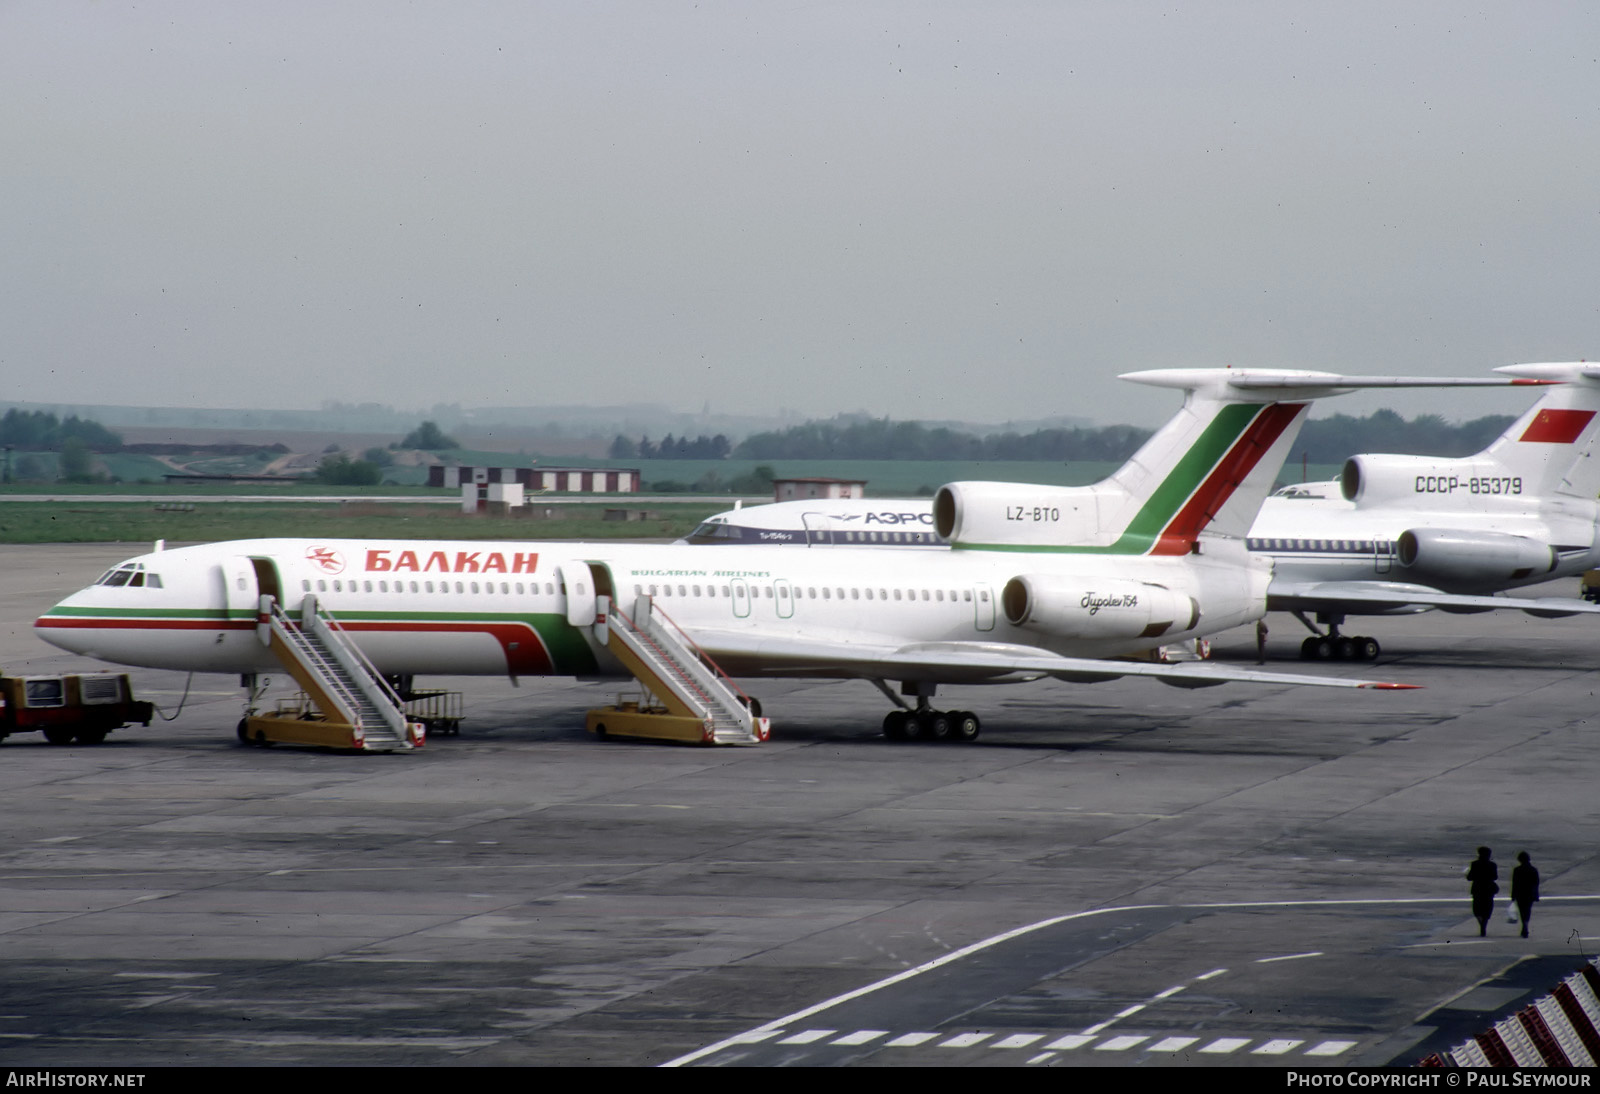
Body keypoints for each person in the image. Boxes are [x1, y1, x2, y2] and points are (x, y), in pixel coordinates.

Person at [1466, 846, 1498, 937]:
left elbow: (1470, 877)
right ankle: (1484, 925)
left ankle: (1481, 925)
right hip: (1488, 889)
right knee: (1487, 908)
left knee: (1477, 909)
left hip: (1477, 888)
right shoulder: (1493, 865)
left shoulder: (1474, 864)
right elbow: (1495, 877)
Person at [1511, 851, 1540, 939]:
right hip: (1530, 893)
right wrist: (1536, 895)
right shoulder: (1533, 869)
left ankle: (1524, 924)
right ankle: (1525, 924)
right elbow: (1536, 883)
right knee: (1527, 910)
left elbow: (1514, 884)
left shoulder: (1517, 870)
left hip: (1520, 893)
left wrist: (1513, 895)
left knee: (1522, 910)